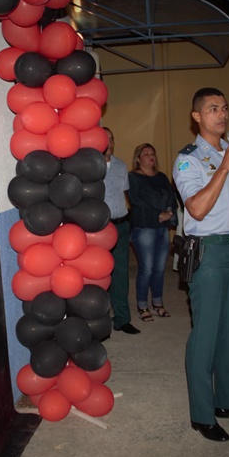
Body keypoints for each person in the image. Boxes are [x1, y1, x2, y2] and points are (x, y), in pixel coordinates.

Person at [173, 87, 229, 442]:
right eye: (213, 109)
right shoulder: (189, 160)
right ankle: (202, 414)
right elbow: (196, 208)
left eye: (225, 108)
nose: (222, 114)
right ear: (197, 116)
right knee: (206, 335)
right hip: (210, 254)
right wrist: (223, 168)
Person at [127, 143, 177, 323]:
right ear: (138, 158)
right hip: (144, 227)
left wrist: (169, 212)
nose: (151, 156)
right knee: (147, 269)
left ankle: (157, 303)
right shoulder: (133, 177)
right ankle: (142, 306)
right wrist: (158, 214)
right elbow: (137, 201)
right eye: (146, 153)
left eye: (153, 153)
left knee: (160, 269)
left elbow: (171, 196)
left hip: (162, 228)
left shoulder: (161, 176)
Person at [102, 127, 140, 335]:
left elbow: (124, 194)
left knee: (121, 274)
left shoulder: (121, 166)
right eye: (105, 139)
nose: (110, 143)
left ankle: (122, 319)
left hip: (121, 225)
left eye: (112, 139)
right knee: (100, 274)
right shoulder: (89, 167)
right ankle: (99, 322)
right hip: (100, 229)